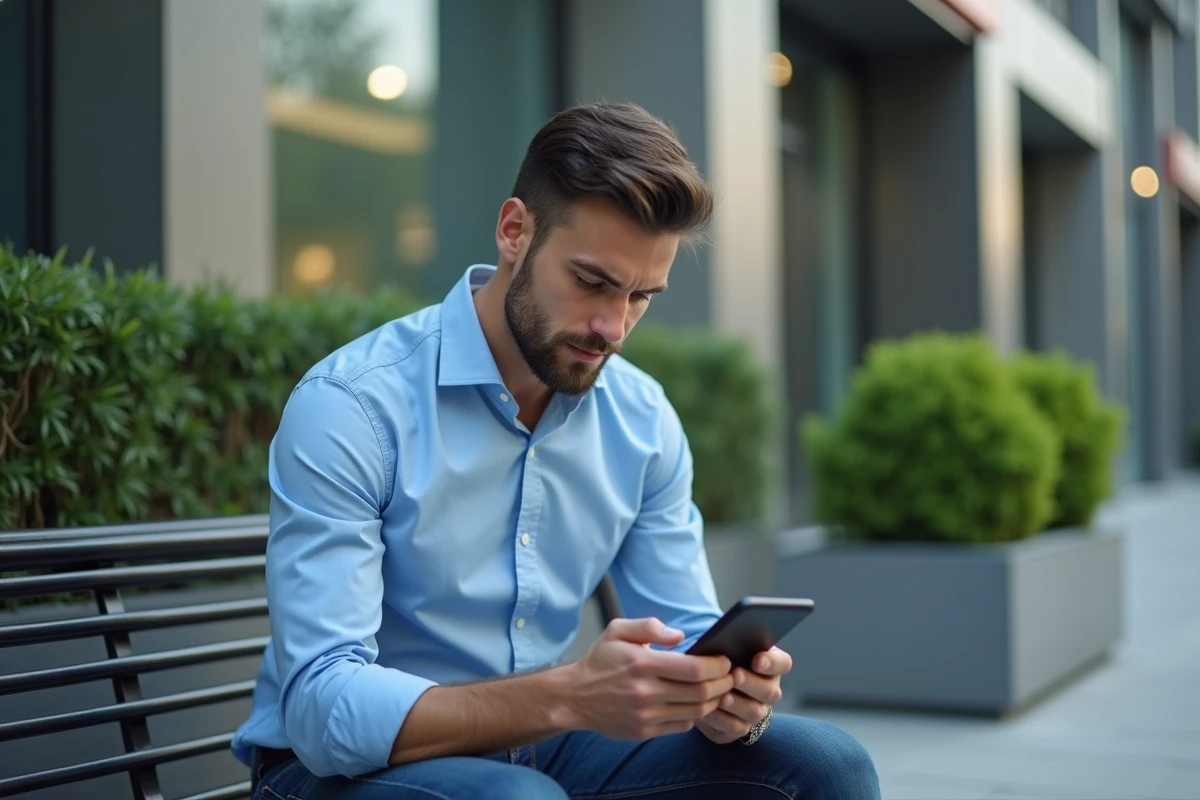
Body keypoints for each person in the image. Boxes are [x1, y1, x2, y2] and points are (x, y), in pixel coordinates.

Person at [231, 101, 881, 800]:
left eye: (641, 296)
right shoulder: (354, 406)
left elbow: (686, 629)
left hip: (543, 748)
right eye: (592, 282)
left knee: (826, 765)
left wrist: (724, 693)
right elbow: (322, 709)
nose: (614, 327)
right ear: (515, 231)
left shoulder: (642, 420)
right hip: (342, 771)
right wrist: (569, 696)